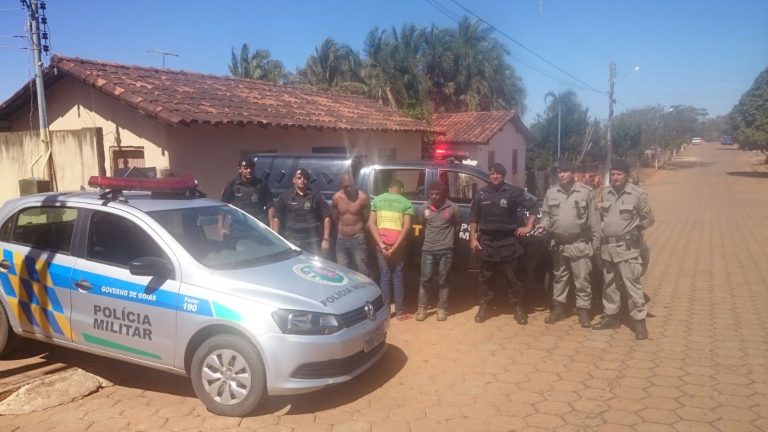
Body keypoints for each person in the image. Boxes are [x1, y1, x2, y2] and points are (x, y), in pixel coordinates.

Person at [592, 159, 655, 340]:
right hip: (608, 247)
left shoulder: (637, 194)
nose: (615, 177)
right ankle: (611, 317)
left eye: (619, 174)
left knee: (632, 285)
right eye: (613, 174)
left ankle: (639, 322)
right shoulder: (606, 194)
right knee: (609, 284)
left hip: (627, 248)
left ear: (626, 175)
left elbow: (649, 218)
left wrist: (636, 231)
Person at [469, 163, 537, 324]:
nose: (495, 176)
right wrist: (472, 238)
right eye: (492, 173)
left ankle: (518, 307)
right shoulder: (481, 194)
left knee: (513, 277)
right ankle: (485, 306)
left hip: (508, 241)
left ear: (503, 175)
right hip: (487, 242)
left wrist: (528, 226)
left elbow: (533, 205)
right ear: (489, 175)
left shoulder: (513, 192)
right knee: (486, 278)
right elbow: (473, 218)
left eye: (499, 173)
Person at [539, 160, 601, 328]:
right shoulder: (552, 193)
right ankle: (558, 309)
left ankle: (583, 311)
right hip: (559, 245)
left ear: (573, 173)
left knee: (582, 280)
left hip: (579, 244)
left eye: (565, 171)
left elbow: (595, 222)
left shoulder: (585, 192)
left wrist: (596, 246)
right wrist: (543, 225)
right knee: (559, 278)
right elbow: (546, 215)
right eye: (559, 171)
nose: (562, 174)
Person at [415, 181, 461, 322]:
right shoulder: (424, 208)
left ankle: (442, 308)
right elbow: (422, 224)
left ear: (443, 194)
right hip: (428, 250)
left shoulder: (453, 208)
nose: (434, 196)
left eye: (438, 194)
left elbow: (457, 225)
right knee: (425, 279)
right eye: (432, 194)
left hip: (446, 250)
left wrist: (448, 241)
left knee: (444, 280)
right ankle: (422, 308)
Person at [369, 179, 414, 320]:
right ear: (401, 189)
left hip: (381, 244)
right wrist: (395, 247)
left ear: (389, 188)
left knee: (384, 275)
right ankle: (400, 312)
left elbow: (370, 223)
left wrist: (382, 245)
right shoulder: (406, 202)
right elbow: (406, 227)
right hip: (398, 246)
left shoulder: (377, 200)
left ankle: (385, 311)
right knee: (397, 276)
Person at [272, 168, 332, 256]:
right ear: (294, 180)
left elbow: (327, 217)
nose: (302, 180)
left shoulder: (316, 195)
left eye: (305, 178)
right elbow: (277, 217)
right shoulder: (285, 195)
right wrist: (275, 238)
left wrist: (326, 239)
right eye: (299, 178)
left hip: (312, 240)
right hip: (291, 239)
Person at [332, 172, 371, 276]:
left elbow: (368, 218)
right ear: (341, 185)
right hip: (341, 238)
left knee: (362, 269)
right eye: (346, 186)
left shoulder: (363, 198)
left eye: (351, 185)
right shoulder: (336, 198)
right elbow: (335, 216)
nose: (349, 188)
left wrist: (361, 231)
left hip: (357, 238)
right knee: (341, 269)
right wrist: (342, 229)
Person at [220, 158, 275, 226]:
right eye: (246, 168)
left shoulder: (261, 184)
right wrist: (221, 227)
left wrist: (272, 227)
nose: (249, 171)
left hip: (257, 226)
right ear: (240, 169)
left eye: (251, 168)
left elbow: (270, 206)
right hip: (238, 225)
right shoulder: (232, 184)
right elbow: (223, 206)